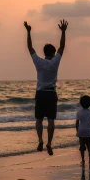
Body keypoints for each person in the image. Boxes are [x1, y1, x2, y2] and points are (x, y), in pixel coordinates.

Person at [24, 19, 68, 156]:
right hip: (51, 93)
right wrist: (63, 31)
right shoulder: (55, 62)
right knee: (50, 120)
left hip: (40, 93)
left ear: (44, 53)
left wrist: (28, 31)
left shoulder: (39, 62)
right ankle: (49, 142)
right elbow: (62, 47)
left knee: (38, 119)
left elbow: (30, 48)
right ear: (53, 53)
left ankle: (40, 140)